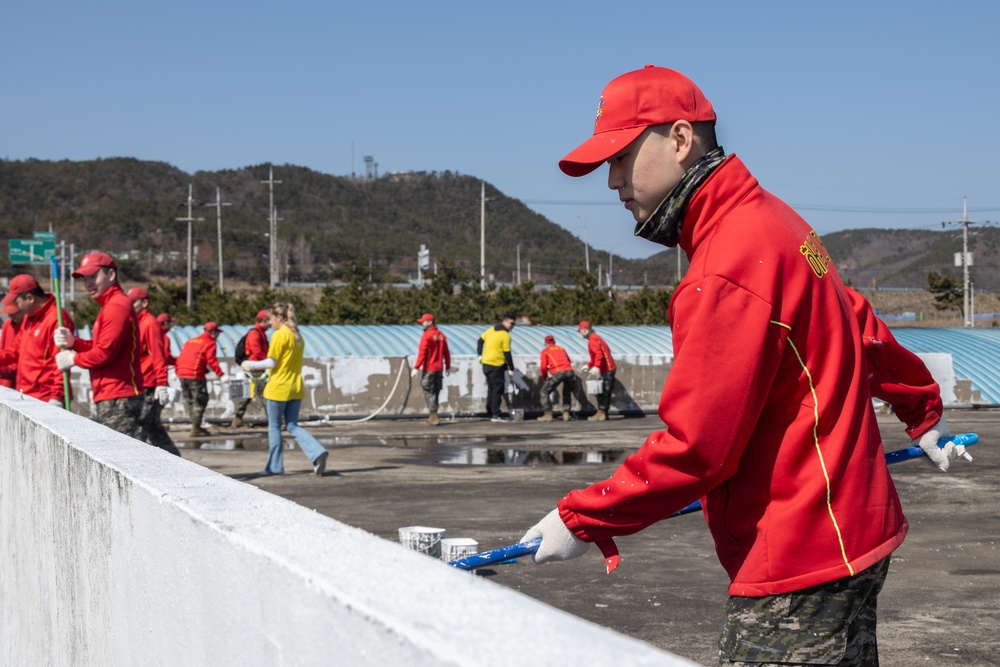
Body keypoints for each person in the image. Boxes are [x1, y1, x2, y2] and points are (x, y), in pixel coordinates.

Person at [519, 65, 963, 666]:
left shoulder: (725, 265)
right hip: (854, 534)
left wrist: (584, 517)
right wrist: (922, 409)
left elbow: (699, 447)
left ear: (680, 140)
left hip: (799, 555)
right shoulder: (779, 223)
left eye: (621, 157)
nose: (611, 182)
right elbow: (857, 322)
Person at [53, 252, 144, 436]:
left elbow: (104, 354)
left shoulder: (116, 306)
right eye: (85, 279)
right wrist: (74, 343)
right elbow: (99, 347)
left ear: (111, 275)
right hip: (112, 393)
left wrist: (73, 359)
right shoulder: (110, 306)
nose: (88, 283)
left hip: (119, 394)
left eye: (94, 277)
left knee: (119, 456)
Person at [241, 303, 328, 476]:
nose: (271, 323)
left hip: (279, 387)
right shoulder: (297, 335)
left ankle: (275, 467)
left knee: (274, 427)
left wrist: (250, 364)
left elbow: (271, 362)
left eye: (272, 319)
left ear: (279, 318)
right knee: (292, 425)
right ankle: (317, 451)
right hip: (295, 387)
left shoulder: (280, 335)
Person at [0, 274, 74, 404]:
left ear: (30, 298)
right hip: (25, 394)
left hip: (44, 399)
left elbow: (60, 362)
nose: (17, 308)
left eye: (17, 302)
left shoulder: (57, 319)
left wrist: (56, 397)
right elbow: (15, 350)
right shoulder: (29, 318)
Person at [127, 287, 179, 456]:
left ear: (144, 302)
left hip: (149, 383)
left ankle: (140, 465)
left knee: (142, 426)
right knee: (152, 426)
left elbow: (158, 355)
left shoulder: (149, 324)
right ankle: (175, 460)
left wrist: (161, 383)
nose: (130, 305)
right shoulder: (137, 322)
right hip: (142, 383)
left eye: (133, 302)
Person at [175, 321, 227, 437]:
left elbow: (184, 357)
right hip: (195, 376)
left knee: (190, 401)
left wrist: (176, 371)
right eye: (217, 333)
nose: (218, 336)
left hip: (182, 375)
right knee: (200, 400)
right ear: (213, 333)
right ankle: (196, 428)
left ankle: (195, 425)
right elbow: (211, 360)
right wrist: (221, 374)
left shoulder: (190, 341)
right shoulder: (210, 342)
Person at [231, 309, 271, 428]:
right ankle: (274, 421)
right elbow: (257, 352)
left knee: (249, 393)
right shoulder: (255, 333)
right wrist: (269, 363)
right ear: (264, 320)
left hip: (257, 367)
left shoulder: (261, 332)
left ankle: (237, 418)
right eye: (270, 320)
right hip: (256, 368)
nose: (272, 322)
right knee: (264, 393)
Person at [412, 312, 451, 426]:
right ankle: (433, 415)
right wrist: (447, 366)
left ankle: (434, 416)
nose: (422, 325)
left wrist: (416, 367)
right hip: (439, 368)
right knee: (435, 391)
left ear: (429, 322)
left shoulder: (427, 336)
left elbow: (422, 353)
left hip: (429, 368)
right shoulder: (442, 336)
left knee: (428, 390)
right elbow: (446, 353)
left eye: (423, 322)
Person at [477, 314, 515, 422]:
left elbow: (480, 341)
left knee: (492, 388)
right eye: (511, 323)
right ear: (504, 322)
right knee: (498, 389)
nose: (513, 326)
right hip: (496, 364)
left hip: (486, 364)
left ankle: (490, 412)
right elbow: (507, 353)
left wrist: (479, 355)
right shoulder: (505, 335)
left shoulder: (490, 330)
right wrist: (511, 367)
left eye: (514, 324)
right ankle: (495, 414)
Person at [577, 321, 616, 421]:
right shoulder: (596, 338)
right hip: (607, 367)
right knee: (603, 390)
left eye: (580, 331)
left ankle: (601, 413)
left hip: (607, 368)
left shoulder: (593, 339)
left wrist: (596, 366)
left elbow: (599, 354)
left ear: (584, 330)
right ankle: (603, 413)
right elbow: (596, 356)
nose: (580, 334)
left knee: (604, 391)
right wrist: (589, 365)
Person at [537, 334, 575, 422]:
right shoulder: (562, 349)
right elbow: (568, 361)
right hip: (570, 372)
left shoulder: (545, 351)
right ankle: (566, 414)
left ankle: (547, 414)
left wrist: (545, 377)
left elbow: (543, 367)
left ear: (546, 343)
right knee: (566, 392)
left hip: (558, 372)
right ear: (554, 342)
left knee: (544, 391)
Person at [0, 308, 23, 389]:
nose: (12, 316)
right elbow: (5, 350)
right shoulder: (7, 324)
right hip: (4, 381)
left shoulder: (27, 326)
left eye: (15, 313)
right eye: (10, 314)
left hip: (18, 382)